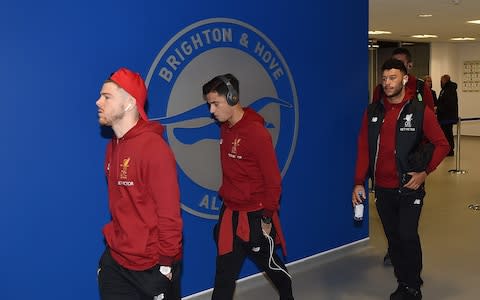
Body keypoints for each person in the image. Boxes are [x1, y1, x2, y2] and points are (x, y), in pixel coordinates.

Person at [353, 59, 449, 300]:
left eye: (392, 78)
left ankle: (413, 286)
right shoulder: (373, 111)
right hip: (383, 190)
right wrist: (358, 181)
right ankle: (404, 280)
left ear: (405, 79)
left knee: (407, 235)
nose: (387, 83)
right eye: (384, 78)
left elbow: (442, 144)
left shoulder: (419, 111)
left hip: (409, 187)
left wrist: (425, 172)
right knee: (394, 240)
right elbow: (364, 147)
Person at [202, 74, 294, 300]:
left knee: (274, 269)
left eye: (215, 104)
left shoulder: (256, 132)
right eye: (209, 104)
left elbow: (273, 181)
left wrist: (266, 218)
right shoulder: (225, 128)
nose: (211, 111)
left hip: (256, 216)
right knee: (224, 277)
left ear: (232, 98)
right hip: (230, 215)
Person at [96, 67, 183, 300]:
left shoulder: (154, 149)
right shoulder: (112, 146)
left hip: (152, 266)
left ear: (129, 103)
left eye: (107, 96)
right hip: (117, 260)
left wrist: (165, 267)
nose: (98, 102)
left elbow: (169, 215)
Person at [373, 48, 435, 266]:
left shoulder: (420, 89)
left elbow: (431, 127)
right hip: (386, 176)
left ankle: (411, 278)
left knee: (407, 229)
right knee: (392, 225)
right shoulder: (380, 94)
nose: (390, 79)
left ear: (407, 69)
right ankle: (395, 252)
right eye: (386, 75)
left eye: (397, 68)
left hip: (412, 163)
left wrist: (424, 167)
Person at [437, 74, 459, 156]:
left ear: (445, 80)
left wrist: (439, 108)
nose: (441, 82)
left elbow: (448, 104)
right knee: (446, 134)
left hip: (447, 117)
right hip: (444, 117)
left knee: (448, 134)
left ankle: (450, 151)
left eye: (441, 80)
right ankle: (447, 150)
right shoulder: (445, 89)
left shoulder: (450, 90)